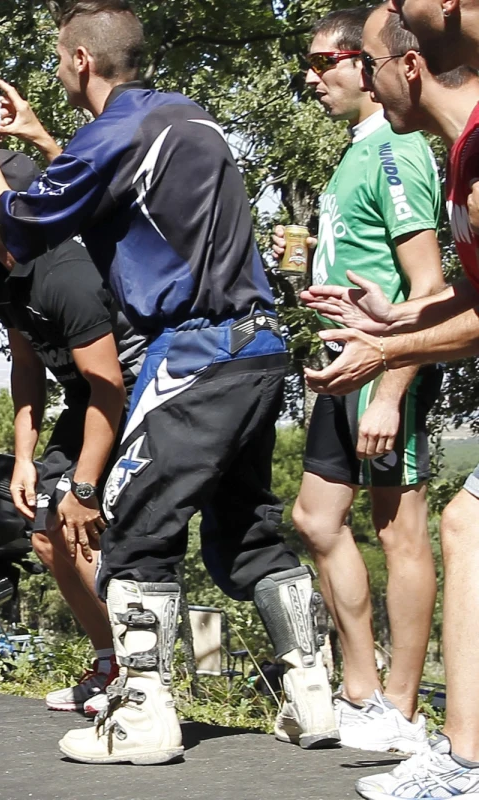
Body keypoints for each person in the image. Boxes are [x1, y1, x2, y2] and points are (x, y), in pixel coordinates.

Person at [0, 0, 336, 764]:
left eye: (61, 57)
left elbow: (20, 219)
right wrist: (41, 135)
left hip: (194, 353)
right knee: (246, 532)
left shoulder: (113, 134)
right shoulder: (186, 117)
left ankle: (141, 716)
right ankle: (313, 699)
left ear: (79, 61)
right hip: (260, 347)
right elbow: (110, 175)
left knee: (134, 528)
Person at [299, 10, 479, 797]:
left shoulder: (426, 152)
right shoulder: (454, 159)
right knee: (456, 524)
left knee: (441, 527)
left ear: (405, 67)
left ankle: (421, 725)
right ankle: (452, 747)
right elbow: (459, 296)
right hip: (372, 352)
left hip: (382, 371)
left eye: (361, 61)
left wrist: (393, 355)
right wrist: (395, 320)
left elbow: (437, 282)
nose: (357, 79)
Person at [275, 7, 446, 755]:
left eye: (325, 62)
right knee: (315, 520)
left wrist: (389, 387)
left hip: (386, 371)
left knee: (398, 528)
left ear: (369, 69)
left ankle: (402, 713)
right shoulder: (353, 157)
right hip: (345, 370)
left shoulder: (396, 153)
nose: (313, 78)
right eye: (308, 66)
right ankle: (361, 691)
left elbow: (429, 285)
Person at [0, 148, 145, 716]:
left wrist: (84, 485)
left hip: (134, 398)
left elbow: (111, 389)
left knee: (92, 529)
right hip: (87, 401)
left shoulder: (67, 275)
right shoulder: (3, 278)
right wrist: (25, 457)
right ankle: (110, 662)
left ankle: (144, 676)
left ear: (13, 208)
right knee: (48, 536)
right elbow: (27, 368)